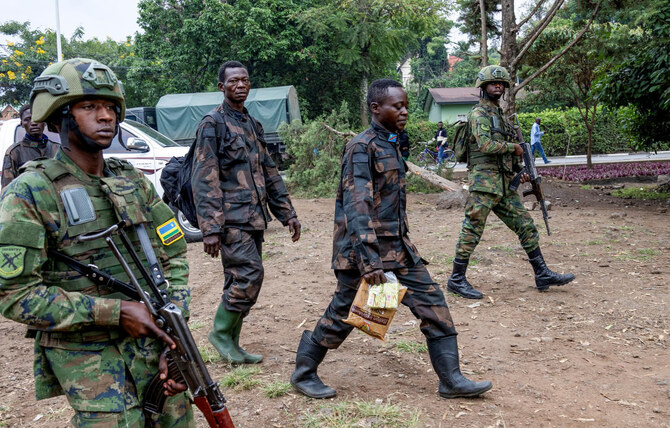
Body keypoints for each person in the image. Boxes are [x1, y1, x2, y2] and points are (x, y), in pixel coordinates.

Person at [0, 58, 194, 426]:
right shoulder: (32, 191)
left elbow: (174, 256)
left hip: (156, 350)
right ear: (59, 117)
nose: (105, 117)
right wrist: (114, 313)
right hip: (90, 361)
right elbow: (14, 294)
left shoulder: (133, 181)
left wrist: (175, 328)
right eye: (89, 107)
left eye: (110, 108)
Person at [289, 79, 492, 400]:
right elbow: (358, 207)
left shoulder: (393, 143)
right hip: (361, 254)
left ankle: (451, 379)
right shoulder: (361, 147)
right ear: (375, 108)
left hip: (398, 250)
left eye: (406, 105)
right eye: (397, 106)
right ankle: (303, 373)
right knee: (344, 315)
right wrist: (369, 261)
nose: (405, 111)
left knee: (433, 304)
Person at [192, 60, 301, 364]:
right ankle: (219, 334)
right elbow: (204, 177)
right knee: (250, 275)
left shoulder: (251, 124)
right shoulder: (211, 124)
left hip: (253, 218)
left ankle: (233, 344)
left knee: (240, 278)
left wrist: (287, 212)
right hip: (230, 221)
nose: (240, 85)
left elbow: (269, 171)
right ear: (221, 87)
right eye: (233, 82)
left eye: (245, 80)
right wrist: (211, 228)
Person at [446, 66, 575, 300]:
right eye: (493, 83)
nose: (498, 86)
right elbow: (486, 146)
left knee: (526, 225)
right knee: (472, 229)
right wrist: (513, 148)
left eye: (502, 83)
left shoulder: (502, 118)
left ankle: (542, 273)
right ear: (483, 87)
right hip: (484, 184)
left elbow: (509, 153)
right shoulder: (478, 114)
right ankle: (456, 280)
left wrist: (520, 171)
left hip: (505, 185)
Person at [1, 104, 60, 188]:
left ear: (44, 122)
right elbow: (7, 189)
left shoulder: (58, 149)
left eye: (37, 119)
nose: (33, 123)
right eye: (27, 120)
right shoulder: (14, 152)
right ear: (22, 124)